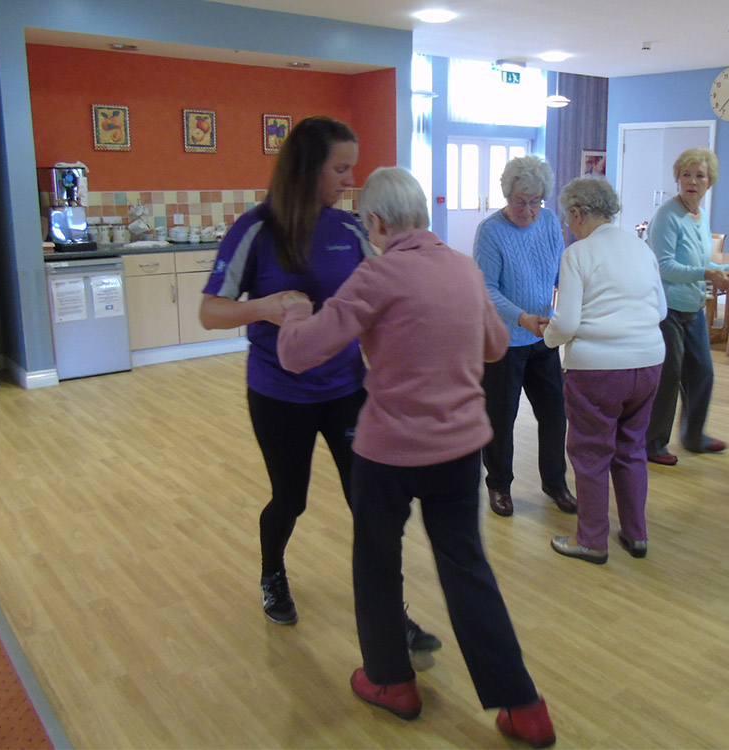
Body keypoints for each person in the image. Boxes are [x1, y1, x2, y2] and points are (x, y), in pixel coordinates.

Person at [276, 167, 556, 749]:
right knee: (467, 567)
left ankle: (390, 682)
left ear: (375, 223)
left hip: (390, 453)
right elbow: (496, 345)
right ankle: (524, 707)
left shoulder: (374, 276)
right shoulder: (462, 268)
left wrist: (293, 312)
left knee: (377, 562)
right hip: (459, 449)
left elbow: (300, 355)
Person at [198, 116, 439, 653]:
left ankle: (391, 613)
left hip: (346, 390)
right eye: (341, 168)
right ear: (309, 168)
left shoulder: (349, 229)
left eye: (352, 168)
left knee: (370, 503)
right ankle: (272, 574)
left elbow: (379, 296)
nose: (349, 180)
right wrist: (266, 307)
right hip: (279, 393)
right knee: (291, 498)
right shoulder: (255, 229)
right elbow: (209, 313)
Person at [541, 177, 666, 564]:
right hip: (648, 363)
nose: (568, 225)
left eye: (568, 218)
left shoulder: (578, 254)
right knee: (632, 448)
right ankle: (635, 533)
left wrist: (547, 338)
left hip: (596, 369)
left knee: (591, 453)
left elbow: (566, 324)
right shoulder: (641, 249)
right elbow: (660, 311)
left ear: (578, 213)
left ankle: (592, 540)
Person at [473, 155, 577, 517]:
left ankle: (555, 483)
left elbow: (560, 271)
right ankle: (499, 486)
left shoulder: (549, 222)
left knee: (554, 414)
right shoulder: (491, 232)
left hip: (543, 339)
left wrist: (576, 305)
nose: (528, 210)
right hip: (504, 341)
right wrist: (521, 317)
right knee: (501, 418)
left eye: (535, 201)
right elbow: (485, 289)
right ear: (507, 196)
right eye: (520, 201)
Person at [644, 147, 729, 465]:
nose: (692, 181)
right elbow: (664, 266)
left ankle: (694, 436)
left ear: (710, 182)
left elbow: (698, 258)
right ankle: (653, 444)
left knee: (703, 373)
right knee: (669, 377)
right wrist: (707, 272)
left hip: (693, 306)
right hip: (667, 308)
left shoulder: (699, 214)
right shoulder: (667, 215)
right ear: (677, 179)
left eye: (699, 176)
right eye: (686, 175)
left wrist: (718, 271)